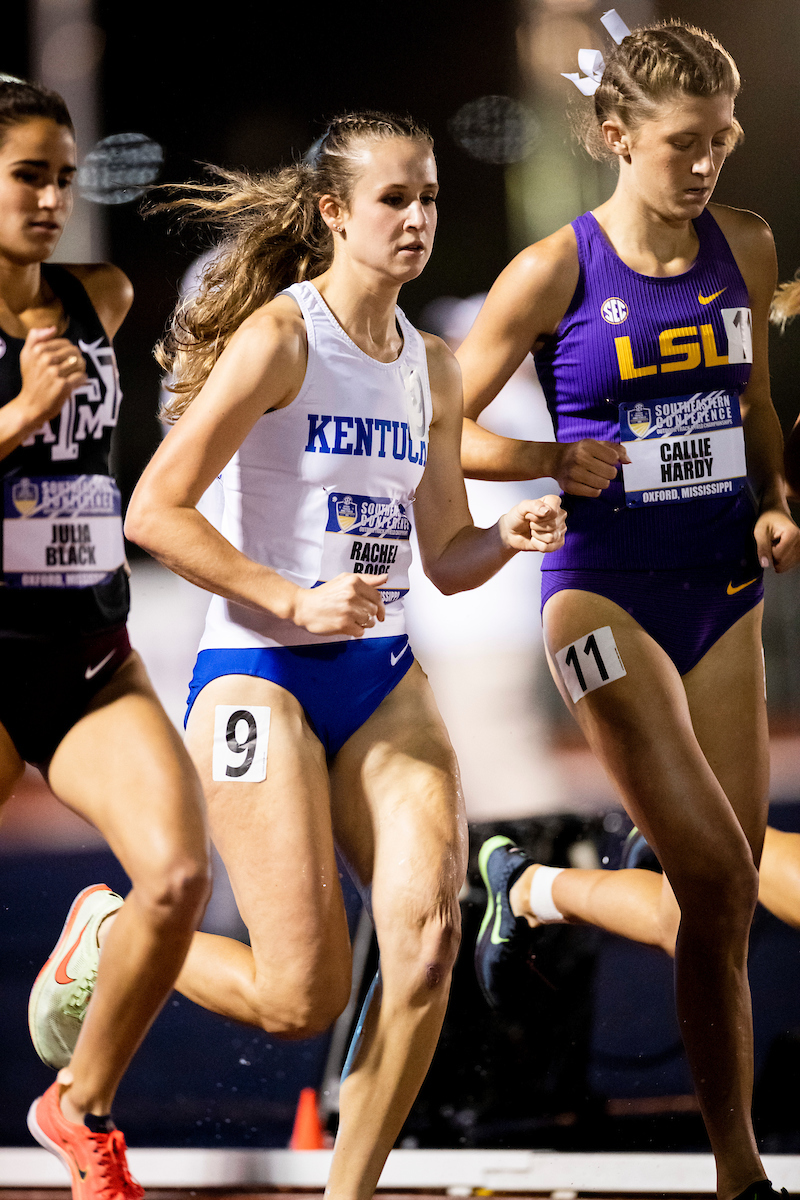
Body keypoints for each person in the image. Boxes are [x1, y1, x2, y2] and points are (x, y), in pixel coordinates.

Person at [112, 112, 562, 1200]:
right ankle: (105, 932)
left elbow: (443, 558)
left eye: (430, 201)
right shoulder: (280, 338)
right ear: (331, 213)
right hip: (258, 673)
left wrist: (502, 535)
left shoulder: (434, 367)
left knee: (423, 943)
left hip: (382, 675)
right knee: (296, 998)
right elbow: (155, 511)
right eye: (392, 201)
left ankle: (346, 1194)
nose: (416, 220)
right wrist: (288, 596)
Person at [456, 21, 800, 1200]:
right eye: (682, 144)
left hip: (721, 590)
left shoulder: (743, 247)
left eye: (723, 141)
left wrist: (771, 501)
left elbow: (752, 402)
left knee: (731, 884)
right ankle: (738, 1172)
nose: (706, 166)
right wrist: (543, 462)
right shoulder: (554, 270)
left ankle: (535, 890)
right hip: (599, 597)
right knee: (712, 880)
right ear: (614, 137)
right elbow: (441, 428)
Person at [0, 76, 211, 1199]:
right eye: (27, 174)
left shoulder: (103, 295)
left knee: (176, 879)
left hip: (89, 657)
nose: (50, 199)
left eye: (63, 178)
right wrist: (18, 418)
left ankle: (77, 1108)